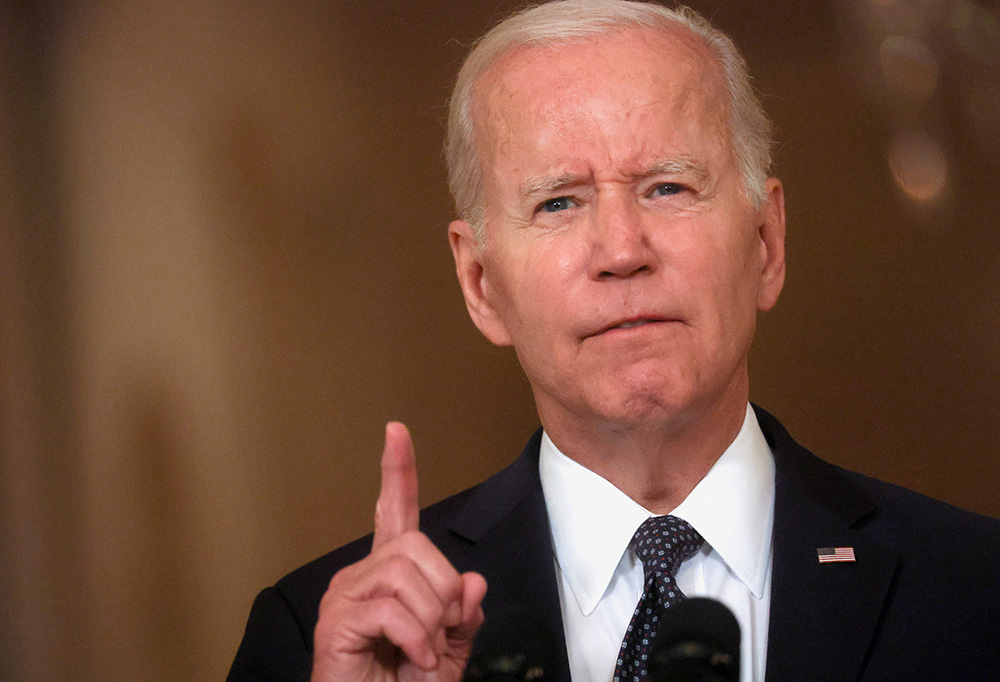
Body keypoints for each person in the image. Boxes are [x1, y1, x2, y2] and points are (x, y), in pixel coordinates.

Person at [227, 2, 1000, 681]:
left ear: (766, 242)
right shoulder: (324, 645)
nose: (622, 248)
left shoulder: (977, 592)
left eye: (668, 187)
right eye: (559, 202)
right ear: (480, 284)